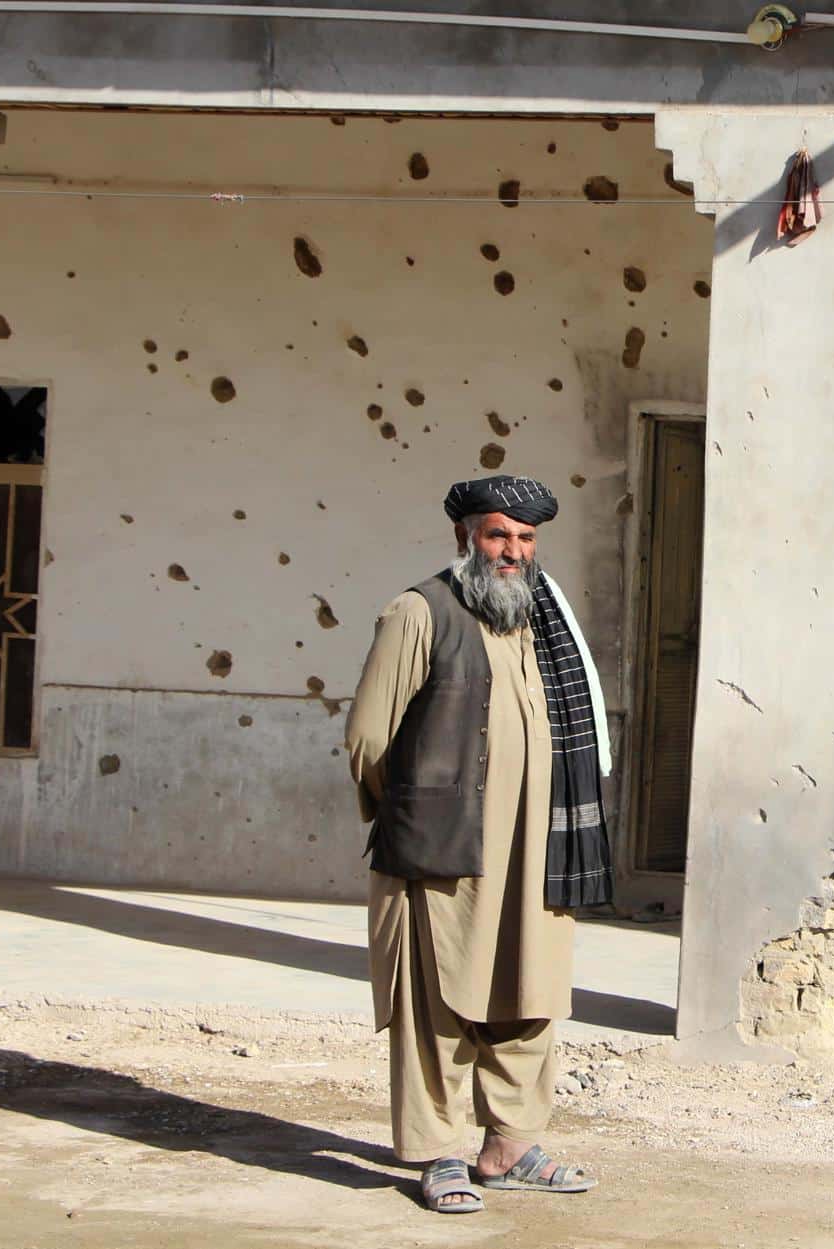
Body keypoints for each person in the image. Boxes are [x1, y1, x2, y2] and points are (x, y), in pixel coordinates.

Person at [344, 474, 613, 1214]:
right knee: (436, 1002)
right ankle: (435, 1152)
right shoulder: (418, 612)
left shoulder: (540, 621)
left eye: (526, 539)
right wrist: (408, 814)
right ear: (464, 535)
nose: (513, 551)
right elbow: (368, 737)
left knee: (530, 995)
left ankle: (509, 1144)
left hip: (536, 853)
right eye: (499, 535)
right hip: (443, 852)